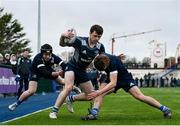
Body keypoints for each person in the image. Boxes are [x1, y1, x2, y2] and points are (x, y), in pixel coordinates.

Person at [81, 53, 172, 120]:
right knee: (101, 93)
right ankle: (94, 114)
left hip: (124, 78)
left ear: (106, 64)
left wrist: (98, 92)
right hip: (110, 76)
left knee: (139, 96)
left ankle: (165, 109)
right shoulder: (100, 58)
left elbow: (113, 83)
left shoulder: (111, 63)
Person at [49, 24, 105, 119]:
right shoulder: (80, 41)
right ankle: (54, 111)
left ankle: (71, 99)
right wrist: (63, 36)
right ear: (90, 33)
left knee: (91, 95)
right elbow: (62, 44)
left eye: (99, 37)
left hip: (82, 71)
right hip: (72, 66)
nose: (97, 38)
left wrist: (115, 59)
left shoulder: (100, 47)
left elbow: (104, 59)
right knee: (69, 87)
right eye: (95, 36)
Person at [8, 43, 66, 111]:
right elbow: (45, 73)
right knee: (31, 91)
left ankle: (74, 88)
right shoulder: (38, 58)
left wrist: (65, 71)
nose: (47, 56)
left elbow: (64, 65)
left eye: (49, 55)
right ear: (42, 53)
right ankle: (16, 103)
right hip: (36, 72)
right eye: (45, 55)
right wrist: (58, 73)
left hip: (47, 69)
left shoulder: (54, 57)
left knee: (63, 82)